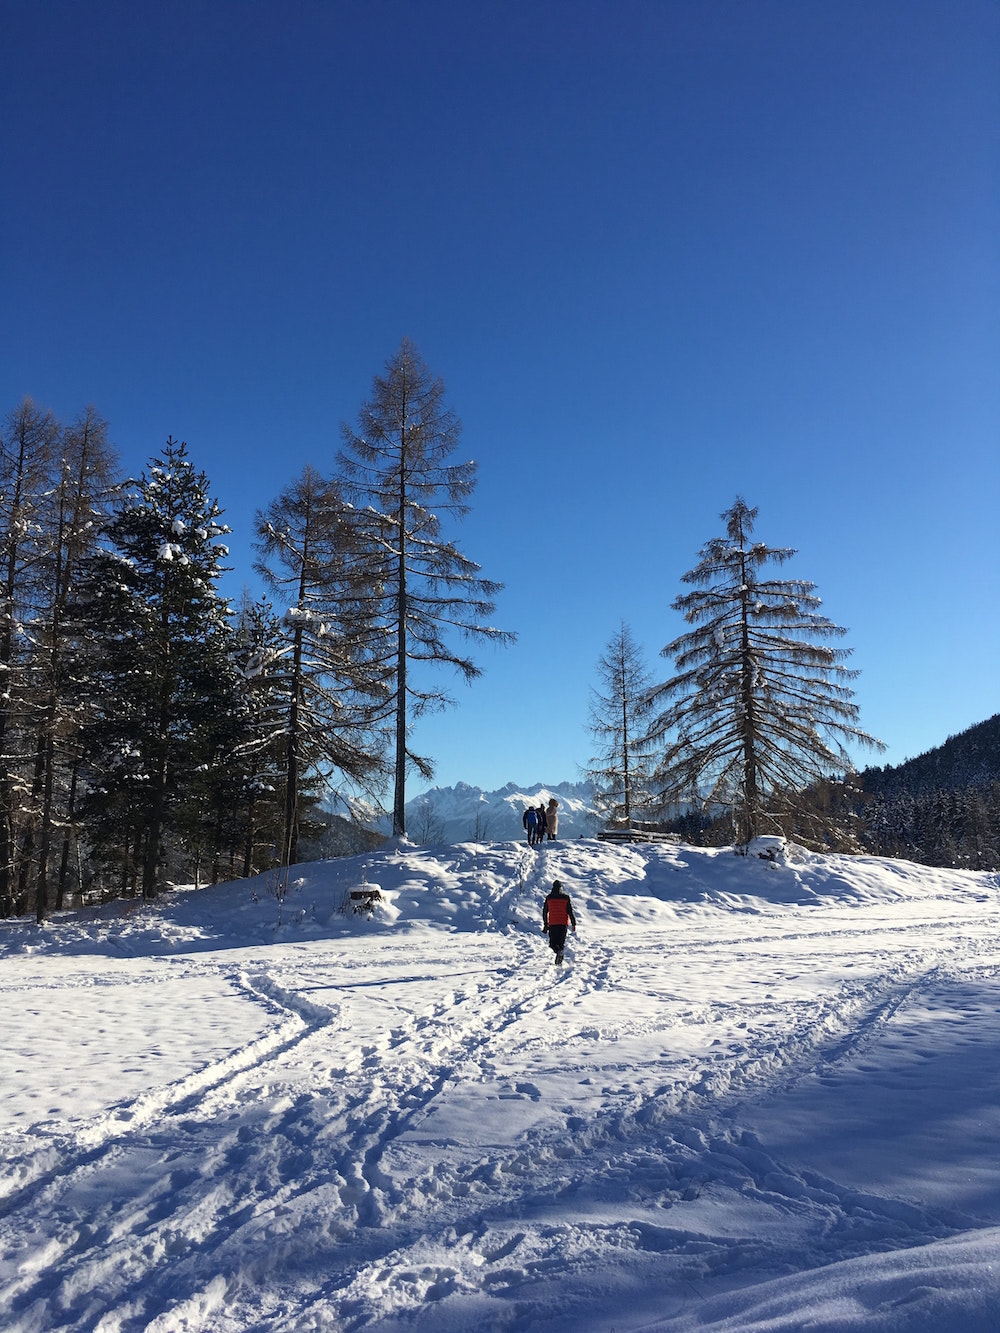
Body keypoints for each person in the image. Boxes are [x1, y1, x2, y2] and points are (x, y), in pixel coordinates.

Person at [542, 879, 577, 966]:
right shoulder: (566, 898)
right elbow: (570, 911)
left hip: (553, 924)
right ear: (561, 888)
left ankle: (558, 955)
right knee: (561, 944)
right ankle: (559, 962)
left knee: (553, 944)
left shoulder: (549, 898)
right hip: (563, 924)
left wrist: (546, 924)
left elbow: (545, 912)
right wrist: (573, 923)